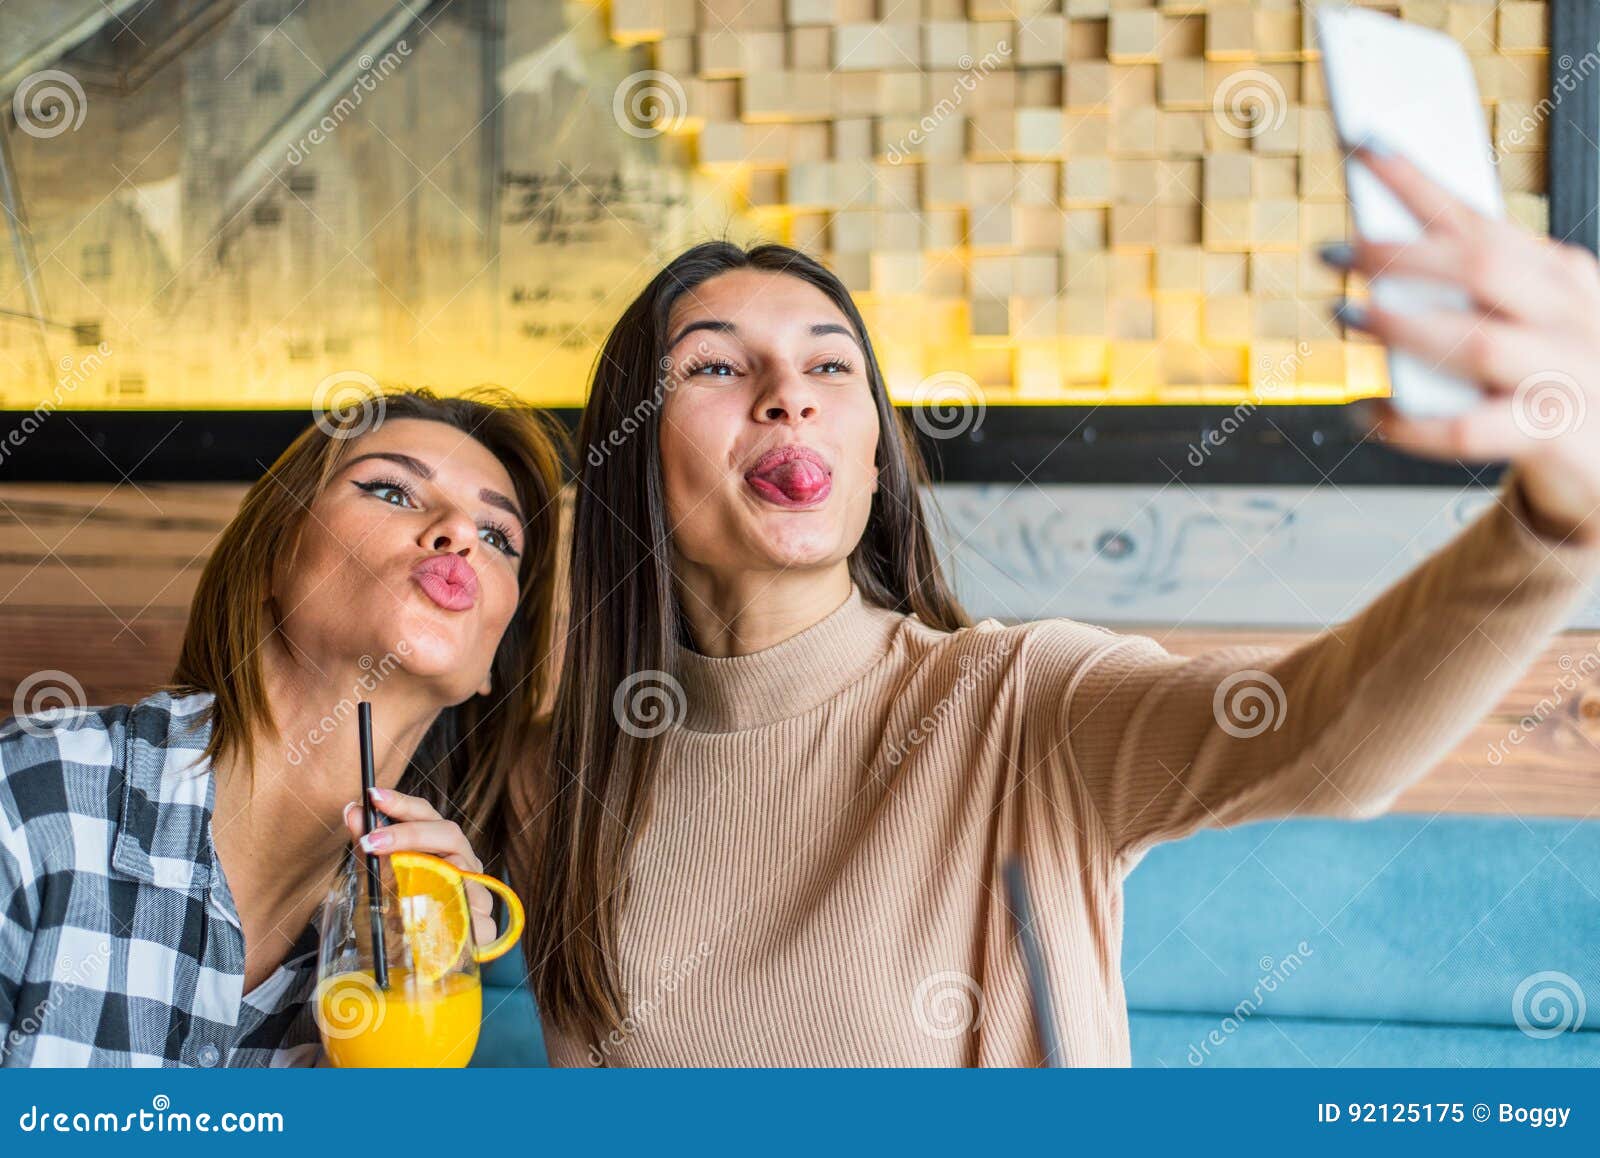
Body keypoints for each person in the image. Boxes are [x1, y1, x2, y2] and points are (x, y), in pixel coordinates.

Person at [525, 143, 1600, 1066]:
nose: (789, 392)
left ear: (872, 463)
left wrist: (1555, 524)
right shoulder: (556, 787)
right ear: (630, 460)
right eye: (714, 367)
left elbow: (1323, 742)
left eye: (830, 366)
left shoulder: (1018, 707)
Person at [0, 388, 563, 1066]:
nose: (461, 534)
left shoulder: (438, 954)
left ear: (489, 666)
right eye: (392, 492)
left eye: (499, 537)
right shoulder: (32, 800)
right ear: (270, 553)